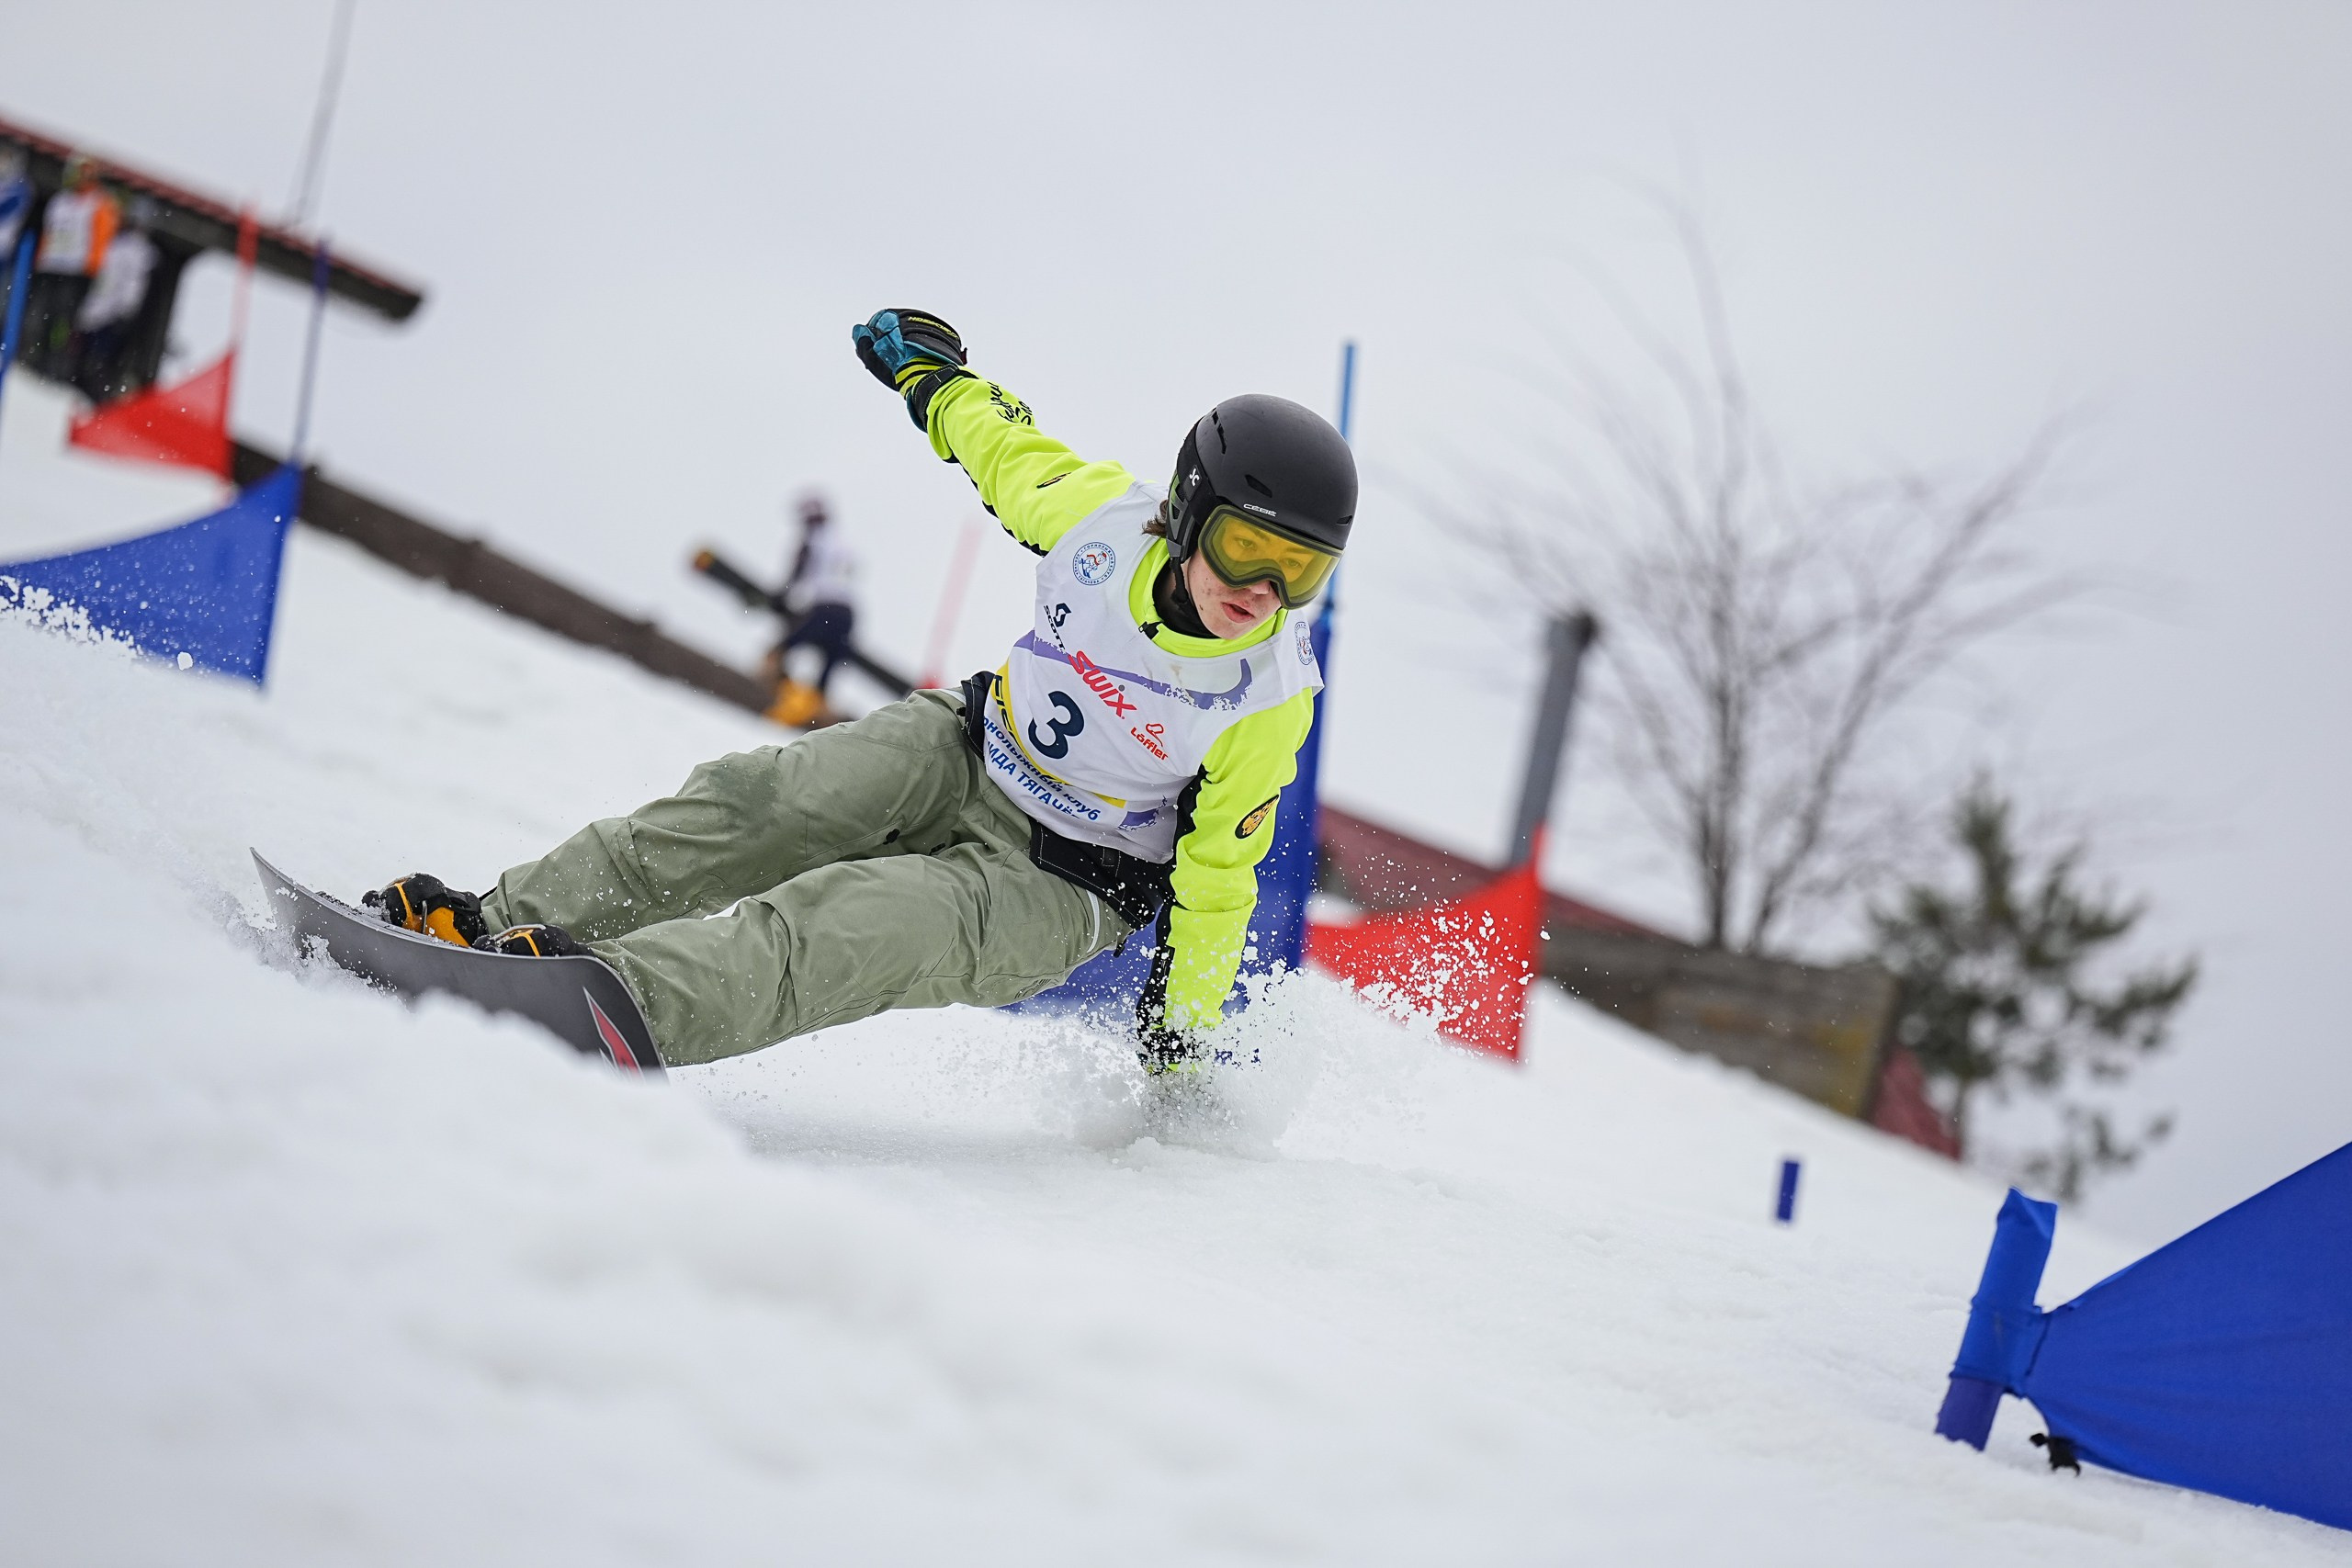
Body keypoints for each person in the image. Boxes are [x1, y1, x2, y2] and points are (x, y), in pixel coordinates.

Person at [363, 308, 1353, 1071]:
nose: (1261, 591)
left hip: (1063, 883)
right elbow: (1004, 448)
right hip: (966, 749)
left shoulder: (1265, 696)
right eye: (1245, 548)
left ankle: (607, 1001)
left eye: (1298, 572)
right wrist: (933, 376)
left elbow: (1221, 878)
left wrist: (1179, 1036)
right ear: (1188, 515)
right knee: (762, 802)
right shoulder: (1100, 521)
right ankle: (487, 924)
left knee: (851, 924)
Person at [764, 491, 859, 727]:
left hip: (825, 607)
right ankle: (817, 711)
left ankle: (783, 699)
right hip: (847, 614)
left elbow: (798, 570)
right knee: (828, 666)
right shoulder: (841, 541)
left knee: (779, 651)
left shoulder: (812, 540)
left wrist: (782, 593)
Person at [26, 154, 119, 378]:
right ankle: (34, 355)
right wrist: (40, 260)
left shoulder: (101, 203)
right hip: (52, 266)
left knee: (63, 319)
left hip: (77, 272)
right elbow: (50, 232)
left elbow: (102, 237)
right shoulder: (61, 201)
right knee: (42, 312)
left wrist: (92, 269)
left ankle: (53, 363)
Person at [72, 196, 159, 400]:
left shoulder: (139, 251)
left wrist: (124, 311)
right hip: (98, 307)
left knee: (99, 358)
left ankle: (92, 392)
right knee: (83, 349)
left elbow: (132, 285)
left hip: (112, 314)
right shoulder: (118, 242)